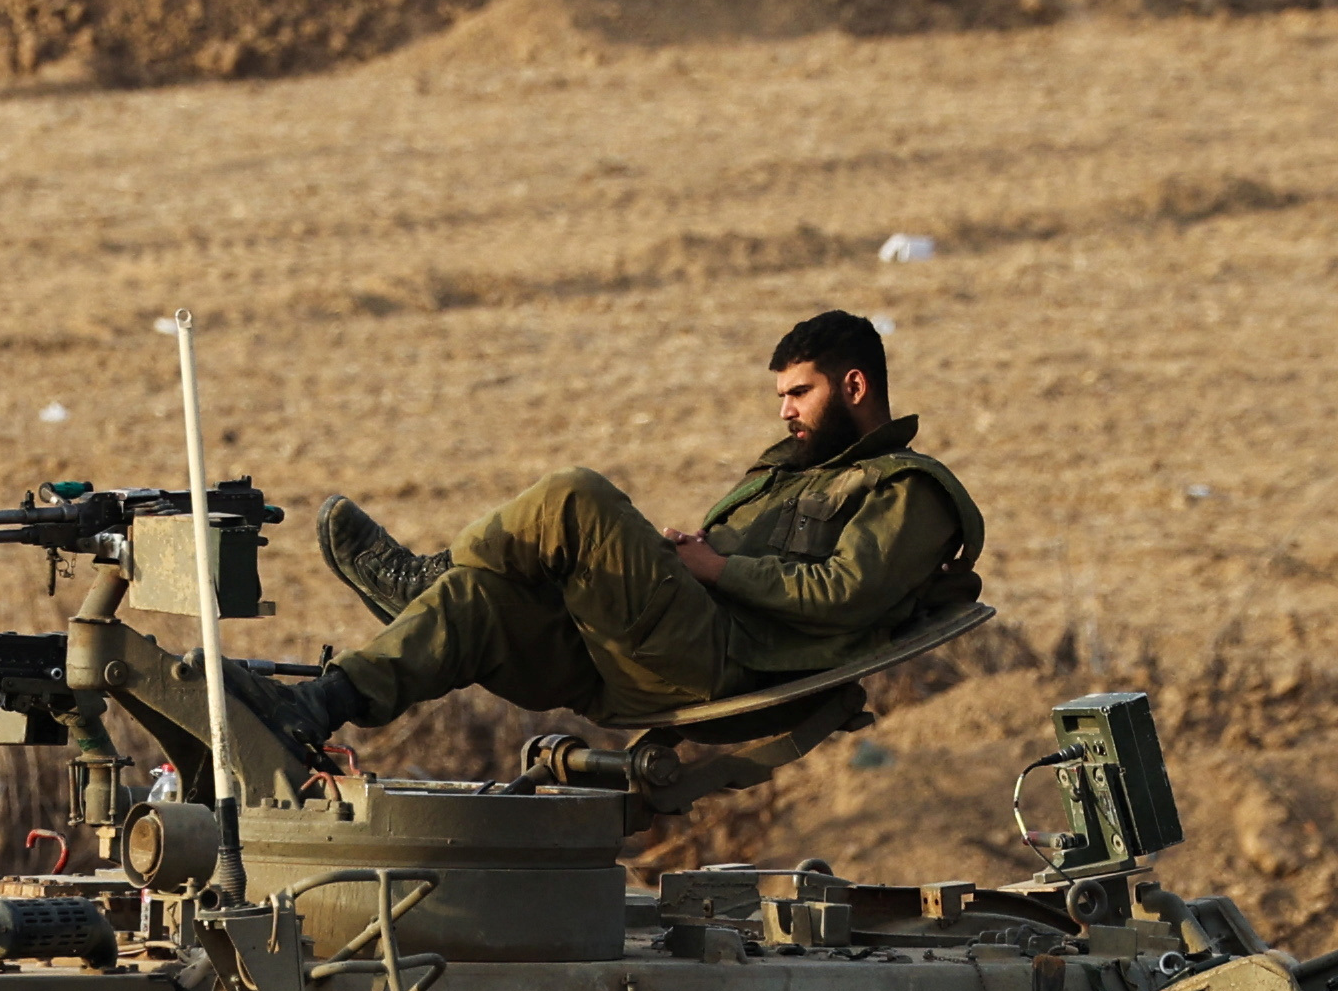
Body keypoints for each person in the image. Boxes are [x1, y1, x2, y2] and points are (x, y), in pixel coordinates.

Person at [263, 309, 985, 750]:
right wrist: (689, 557)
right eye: (781, 396)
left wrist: (715, 569)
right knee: (477, 604)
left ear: (854, 386)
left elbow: (846, 592)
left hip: (720, 664)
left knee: (574, 497)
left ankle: (426, 576)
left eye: (800, 393)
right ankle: (319, 706)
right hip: (658, 660)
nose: (785, 412)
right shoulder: (800, 467)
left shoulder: (910, 491)